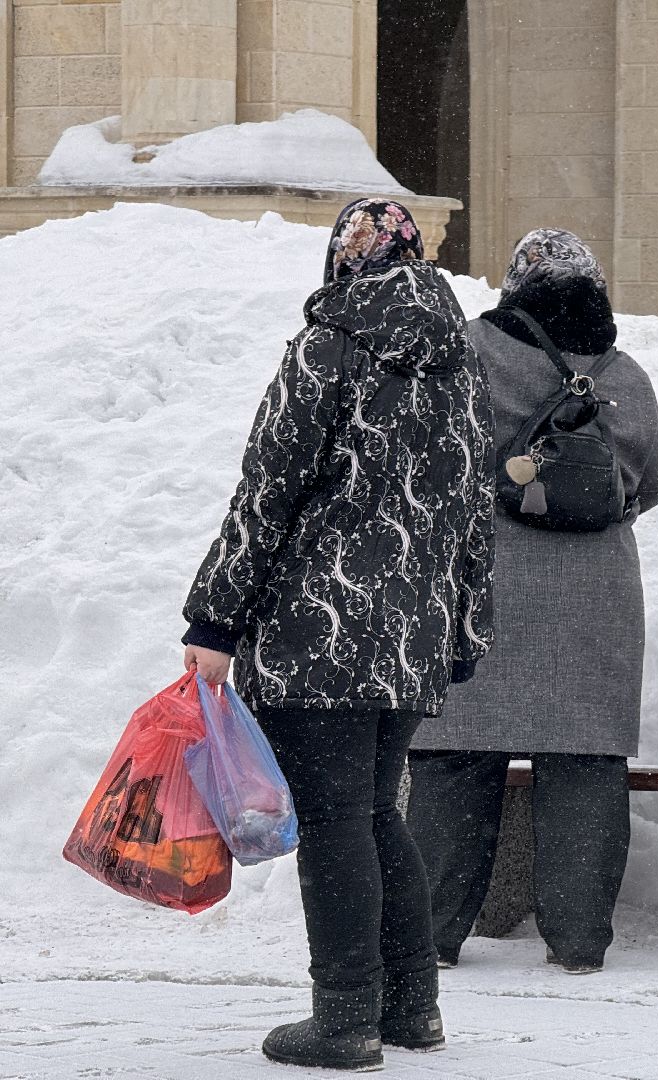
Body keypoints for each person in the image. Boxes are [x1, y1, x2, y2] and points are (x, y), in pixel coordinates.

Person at [181, 198, 495, 1070]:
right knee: (369, 814)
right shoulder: (457, 362)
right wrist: (466, 628)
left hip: (318, 628)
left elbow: (266, 491)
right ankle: (412, 1007)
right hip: (411, 638)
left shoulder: (330, 345)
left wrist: (215, 617)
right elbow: (474, 513)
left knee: (334, 823)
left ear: (344, 258)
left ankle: (346, 1017)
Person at [407, 228, 658, 975]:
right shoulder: (622, 372)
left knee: (456, 758)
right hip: (595, 597)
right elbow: (657, 476)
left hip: (480, 585)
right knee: (585, 763)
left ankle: (430, 934)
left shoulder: (467, 353)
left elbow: (429, 454)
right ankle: (580, 941)